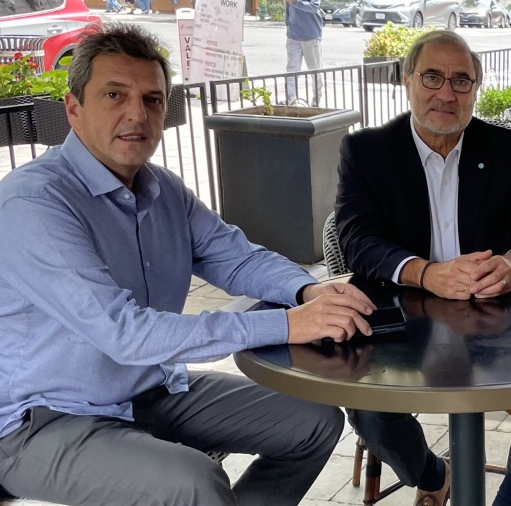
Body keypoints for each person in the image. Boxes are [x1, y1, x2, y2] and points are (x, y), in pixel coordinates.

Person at [0, 23, 377, 506]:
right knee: (193, 483)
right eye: (114, 95)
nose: (137, 114)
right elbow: (124, 333)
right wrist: (287, 324)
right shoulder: (35, 202)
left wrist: (307, 291)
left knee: (315, 422)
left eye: (152, 99)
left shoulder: (162, 188)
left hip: (151, 390)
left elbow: (236, 257)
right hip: (46, 418)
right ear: (74, 109)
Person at [334, 29, 511, 506]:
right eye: (432, 77)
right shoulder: (367, 151)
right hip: (401, 315)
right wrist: (424, 272)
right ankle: (433, 473)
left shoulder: (501, 147)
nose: (447, 93)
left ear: (475, 89)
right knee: (367, 404)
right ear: (407, 81)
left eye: (461, 81)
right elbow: (357, 241)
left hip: (491, 316)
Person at [284, 0, 324, 106]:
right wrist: (288, 26)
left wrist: (294, 2)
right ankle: (291, 99)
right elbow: (288, 8)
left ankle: (316, 99)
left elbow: (314, 7)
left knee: (315, 69)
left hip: (311, 35)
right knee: (291, 69)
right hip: (293, 35)